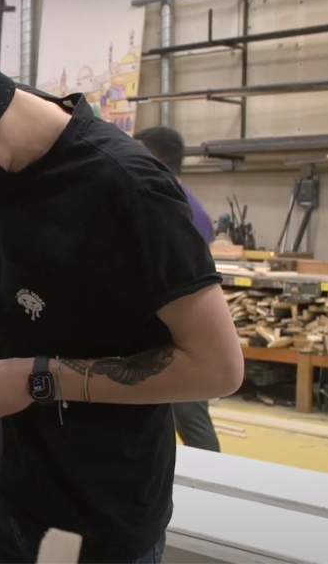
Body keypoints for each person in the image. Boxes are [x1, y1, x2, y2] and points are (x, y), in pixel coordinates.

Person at [0, 12, 244, 564]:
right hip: (8, 492)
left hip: (96, 522)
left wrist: (40, 380)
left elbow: (219, 367)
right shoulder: (0, 142)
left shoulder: (129, 190)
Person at [133, 126, 222, 453]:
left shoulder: (171, 204)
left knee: (191, 416)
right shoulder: (183, 202)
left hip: (174, 332)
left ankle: (214, 487)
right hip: (164, 326)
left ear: (155, 157)